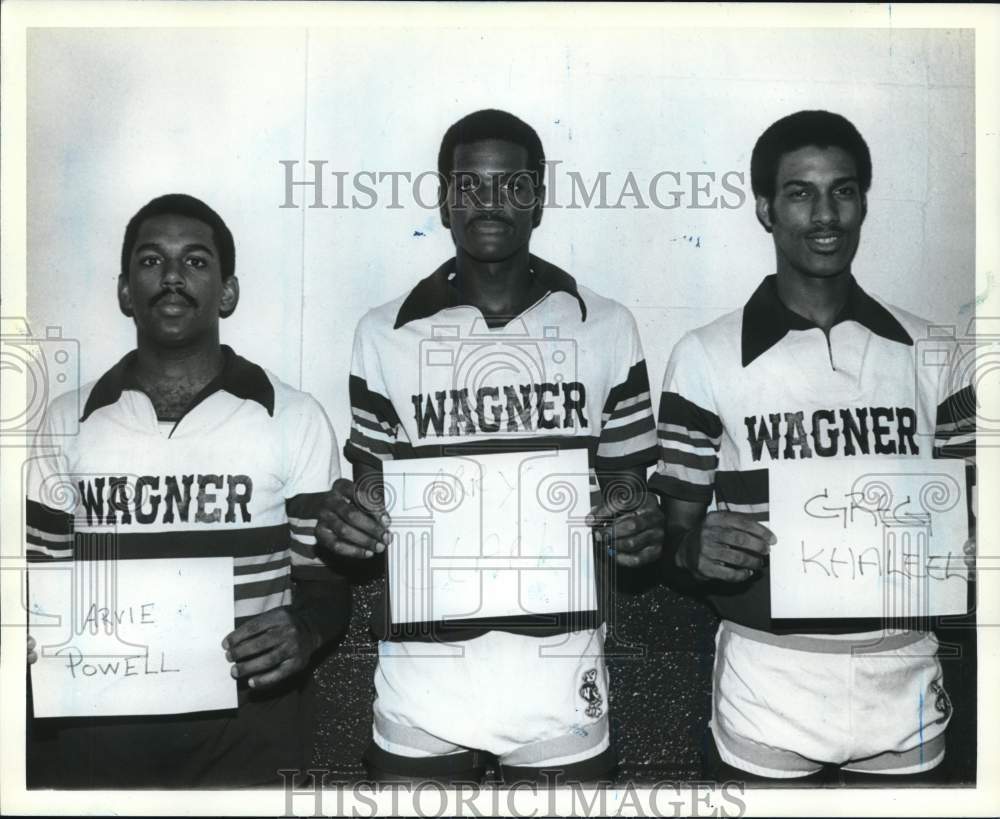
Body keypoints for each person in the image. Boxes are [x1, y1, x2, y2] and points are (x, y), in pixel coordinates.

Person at [315, 109, 663, 784]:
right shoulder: (383, 332)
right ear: (445, 199)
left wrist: (636, 524)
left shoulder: (607, 326)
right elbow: (373, 491)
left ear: (540, 195)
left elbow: (626, 487)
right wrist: (349, 522)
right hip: (424, 669)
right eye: (470, 185)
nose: (491, 202)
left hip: (558, 665)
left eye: (512, 183)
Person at [652, 110, 976, 782]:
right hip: (771, 679)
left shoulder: (938, 351)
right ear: (766, 209)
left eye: (844, 190)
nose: (825, 214)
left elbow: (978, 513)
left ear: (863, 201)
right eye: (800, 192)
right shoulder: (706, 355)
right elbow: (673, 540)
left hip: (906, 670)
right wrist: (695, 547)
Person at [25, 193, 350, 788]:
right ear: (124, 290)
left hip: (248, 730)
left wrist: (302, 633)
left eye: (196, 262)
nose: (172, 277)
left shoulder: (293, 416)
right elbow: (35, 584)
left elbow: (327, 591)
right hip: (98, 734)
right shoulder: (65, 419)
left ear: (227, 292)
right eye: (151, 261)